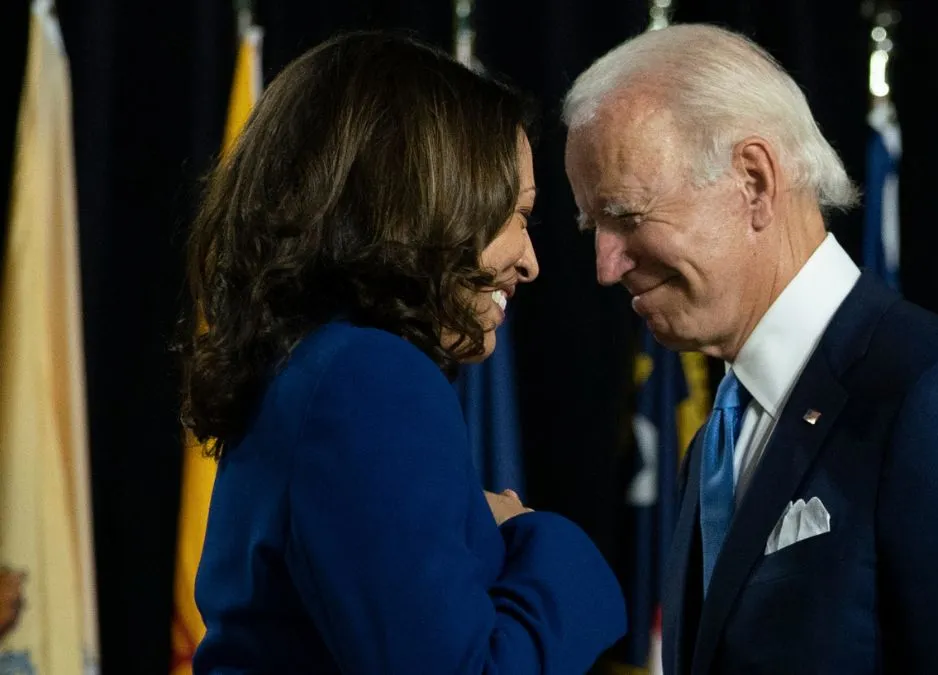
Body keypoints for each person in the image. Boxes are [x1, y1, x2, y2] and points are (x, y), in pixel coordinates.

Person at [563, 23, 938, 675]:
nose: (605, 266)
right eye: (594, 226)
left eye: (628, 216)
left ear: (753, 181)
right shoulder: (715, 439)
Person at [179, 31, 625, 674]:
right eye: (516, 215)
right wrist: (536, 538)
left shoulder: (309, 366)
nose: (529, 262)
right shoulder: (367, 381)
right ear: (423, 202)